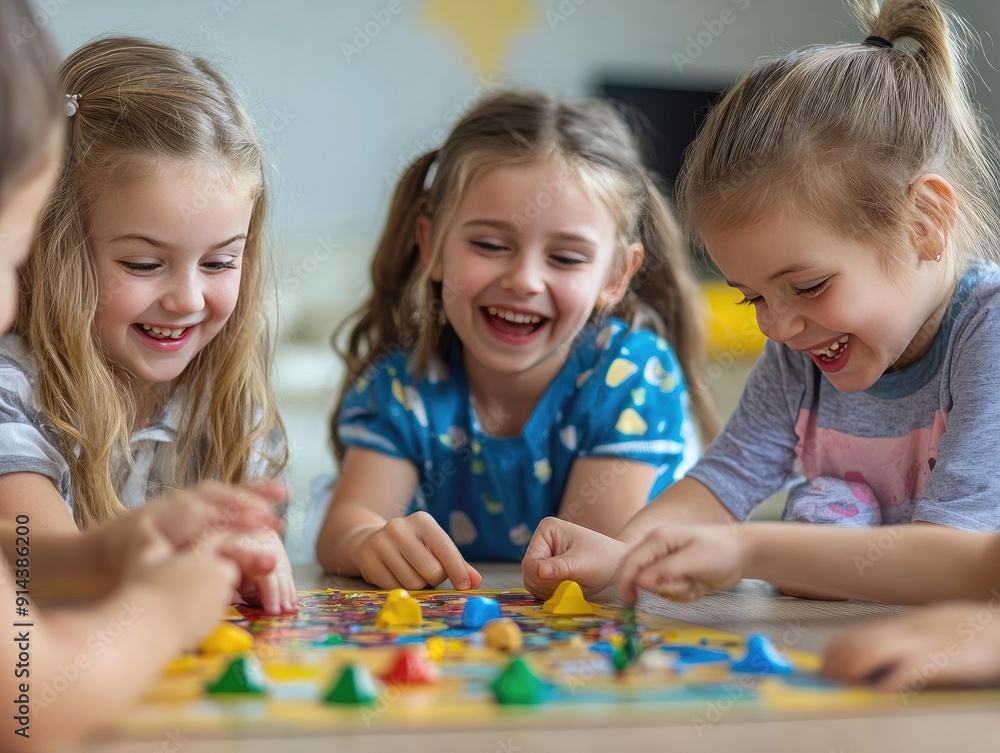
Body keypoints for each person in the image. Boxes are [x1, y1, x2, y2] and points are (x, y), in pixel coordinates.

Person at [522, 0, 1000, 603]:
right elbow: (721, 483)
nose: (778, 325)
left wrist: (749, 549)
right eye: (752, 298)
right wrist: (625, 552)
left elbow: (954, 561)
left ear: (925, 222)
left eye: (808, 286)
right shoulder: (806, 346)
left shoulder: (989, 330)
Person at [0, 7, 285, 748]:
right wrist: (161, 605)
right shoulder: (12, 386)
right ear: (51, 249)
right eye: (143, 262)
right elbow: (30, 694)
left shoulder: (217, 390)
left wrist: (235, 555)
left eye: (220, 261)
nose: (188, 298)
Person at [316, 90, 718, 590]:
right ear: (432, 246)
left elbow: (581, 567)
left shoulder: (631, 373)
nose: (524, 280)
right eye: (489, 245)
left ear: (616, 276)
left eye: (566, 258)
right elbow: (346, 526)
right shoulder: (404, 384)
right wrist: (367, 542)